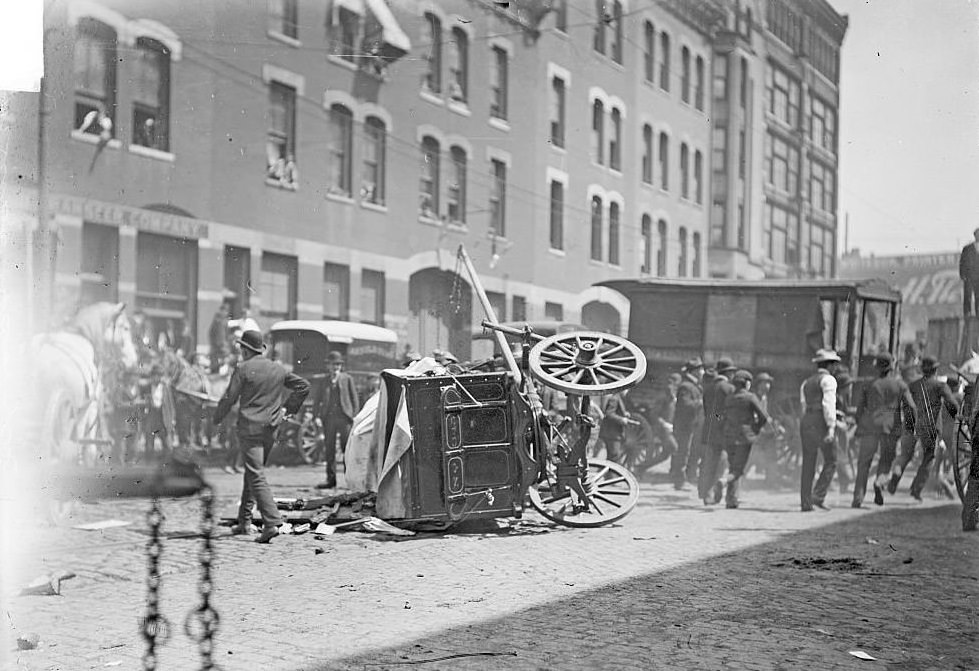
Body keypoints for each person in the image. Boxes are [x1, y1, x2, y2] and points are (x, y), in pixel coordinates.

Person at [213, 329, 310, 543]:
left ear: (246, 350)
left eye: (240, 348)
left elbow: (229, 398)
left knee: (255, 474)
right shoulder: (278, 369)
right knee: (253, 472)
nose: (239, 352)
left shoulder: (243, 369)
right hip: (271, 429)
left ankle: (271, 521)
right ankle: (244, 521)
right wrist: (286, 410)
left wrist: (216, 419)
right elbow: (304, 386)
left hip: (249, 429)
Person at [888, 355, 959, 501]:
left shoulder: (913, 385)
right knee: (928, 458)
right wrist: (957, 415)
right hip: (930, 427)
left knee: (904, 456)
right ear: (936, 369)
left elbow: (905, 404)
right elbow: (952, 404)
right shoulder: (940, 386)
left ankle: (894, 479)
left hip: (911, 425)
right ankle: (916, 489)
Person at [851, 352, 916, 508]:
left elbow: (859, 409)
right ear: (891, 367)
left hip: (869, 427)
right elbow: (911, 407)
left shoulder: (869, 384)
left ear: (876, 367)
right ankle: (880, 482)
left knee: (863, 463)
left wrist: (860, 422)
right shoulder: (900, 385)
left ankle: (858, 498)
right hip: (890, 428)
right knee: (886, 459)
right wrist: (910, 426)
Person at [799, 348, 843, 511]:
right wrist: (831, 427)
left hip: (807, 420)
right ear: (830, 365)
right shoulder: (829, 380)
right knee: (831, 459)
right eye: (834, 365)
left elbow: (803, 405)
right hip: (821, 421)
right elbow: (828, 404)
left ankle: (805, 502)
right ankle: (818, 495)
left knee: (808, 462)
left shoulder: (806, 382)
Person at [720, 370, 769, 509]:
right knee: (737, 470)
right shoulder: (750, 397)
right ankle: (723, 482)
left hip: (729, 437)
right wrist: (755, 429)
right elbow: (764, 417)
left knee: (732, 467)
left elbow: (720, 416)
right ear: (747, 383)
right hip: (744, 437)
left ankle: (731, 500)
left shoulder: (729, 398)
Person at [312, 350, 360, 490]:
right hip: (329, 419)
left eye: (338, 365)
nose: (335, 368)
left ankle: (349, 480)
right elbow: (317, 401)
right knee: (330, 450)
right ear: (328, 366)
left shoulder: (347, 379)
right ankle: (331, 480)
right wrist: (316, 417)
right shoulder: (324, 381)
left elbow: (354, 398)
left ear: (341, 366)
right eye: (333, 365)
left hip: (345, 418)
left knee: (347, 450)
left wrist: (355, 416)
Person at [698, 358, 737, 505]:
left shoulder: (708, 387)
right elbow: (729, 412)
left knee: (709, 463)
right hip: (723, 430)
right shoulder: (728, 388)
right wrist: (722, 419)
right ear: (728, 373)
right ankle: (716, 492)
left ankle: (707, 494)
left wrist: (714, 418)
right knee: (722, 463)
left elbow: (708, 411)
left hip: (708, 428)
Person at [671, 357, 705, 490]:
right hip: (684, 426)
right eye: (701, 369)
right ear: (695, 371)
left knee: (689, 452)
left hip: (692, 425)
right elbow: (685, 405)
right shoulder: (686, 386)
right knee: (682, 453)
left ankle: (684, 479)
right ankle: (679, 482)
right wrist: (700, 403)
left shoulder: (695, 386)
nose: (703, 372)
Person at [597, 390, 636, 464]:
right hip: (612, 434)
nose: (627, 391)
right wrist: (621, 419)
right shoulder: (614, 398)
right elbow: (609, 414)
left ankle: (608, 474)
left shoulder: (618, 397)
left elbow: (615, 412)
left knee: (612, 459)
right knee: (615, 459)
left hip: (613, 433)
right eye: (626, 389)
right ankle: (613, 475)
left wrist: (624, 414)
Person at [959, 227, 979, 316]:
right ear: (974, 236)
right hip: (969, 276)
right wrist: (962, 274)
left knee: (978, 296)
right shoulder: (967, 249)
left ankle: (978, 313)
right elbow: (962, 262)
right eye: (977, 234)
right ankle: (967, 313)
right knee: (967, 296)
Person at [208, 302, 231, 373]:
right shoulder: (219, 322)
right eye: (225, 311)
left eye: (227, 311)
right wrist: (223, 347)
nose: (226, 313)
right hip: (218, 350)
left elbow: (225, 335)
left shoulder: (221, 321)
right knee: (218, 371)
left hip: (218, 349)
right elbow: (219, 337)